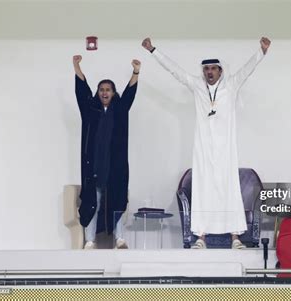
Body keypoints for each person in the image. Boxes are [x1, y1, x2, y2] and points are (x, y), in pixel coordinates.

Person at [142, 37, 271, 249]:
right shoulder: (197, 86)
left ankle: (235, 238)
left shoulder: (231, 85)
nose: (209, 72)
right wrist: (153, 50)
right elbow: (174, 70)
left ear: (220, 71)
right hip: (203, 149)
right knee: (203, 190)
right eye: (206, 69)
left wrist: (262, 51)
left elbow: (248, 69)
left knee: (228, 189)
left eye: (213, 68)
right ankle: (200, 237)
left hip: (226, 150)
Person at [73, 55, 139, 249]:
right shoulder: (90, 109)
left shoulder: (120, 109)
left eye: (108, 90)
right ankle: (90, 240)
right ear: (98, 92)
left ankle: (120, 239)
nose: (104, 93)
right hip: (93, 166)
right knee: (92, 203)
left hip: (115, 167)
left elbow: (130, 93)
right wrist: (77, 67)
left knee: (117, 202)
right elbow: (81, 91)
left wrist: (136, 72)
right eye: (101, 90)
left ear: (113, 92)